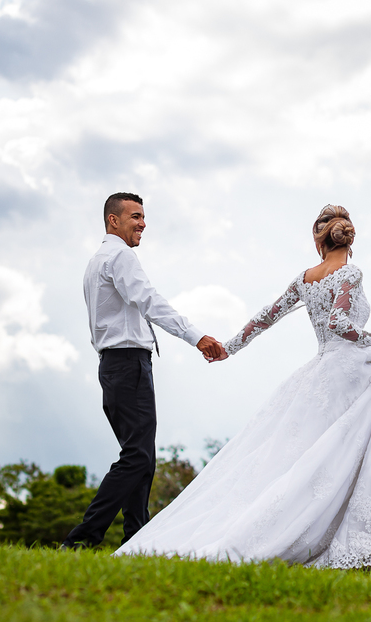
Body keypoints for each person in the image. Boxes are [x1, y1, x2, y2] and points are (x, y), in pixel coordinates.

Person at [115, 204, 371, 569]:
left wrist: (230, 348)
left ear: (319, 240)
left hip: (324, 370)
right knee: (355, 450)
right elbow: (338, 321)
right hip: (350, 368)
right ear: (349, 238)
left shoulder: (306, 278)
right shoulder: (351, 272)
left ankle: (354, 544)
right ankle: (350, 538)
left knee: (323, 454)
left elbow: (267, 315)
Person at [62, 192, 228, 550]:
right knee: (138, 457)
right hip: (127, 364)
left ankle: (136, 540)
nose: (142, 223)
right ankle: (82, 539)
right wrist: (195, 336)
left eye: (143, 217)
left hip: (112, 367)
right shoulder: (121, 255)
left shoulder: (96, 261)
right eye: (135, 216)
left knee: (141, 457)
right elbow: (149, 299)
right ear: (113, 221)